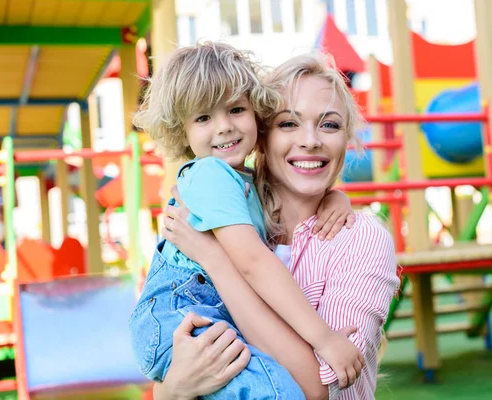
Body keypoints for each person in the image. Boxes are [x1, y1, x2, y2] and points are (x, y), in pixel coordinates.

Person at [157, 53, 401, 399]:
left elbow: (319, 387)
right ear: (262, 135)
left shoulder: (358, 238)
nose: (311, 140)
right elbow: (168, 373)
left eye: (329, 124)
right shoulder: (235, 211)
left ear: (346, 139)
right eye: (289, 123)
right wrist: (173, 391)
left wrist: (214, 260)